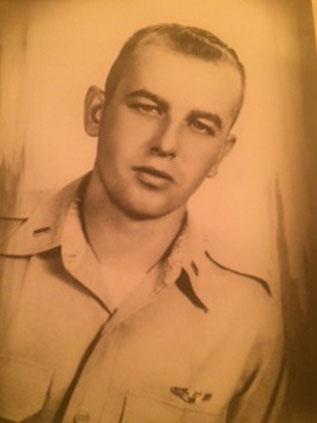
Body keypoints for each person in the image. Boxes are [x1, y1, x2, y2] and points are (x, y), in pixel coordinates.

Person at [0, 24, 285, 422]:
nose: (166, 144)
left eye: (200, 126)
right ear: (96, 112)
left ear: (222, 154)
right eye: (148, 107)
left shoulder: (250, 318)